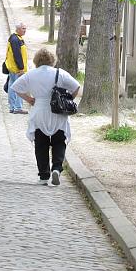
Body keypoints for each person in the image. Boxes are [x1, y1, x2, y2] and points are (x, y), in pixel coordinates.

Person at [12, 48, 80, 186]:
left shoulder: (31, 74)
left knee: (41, 143)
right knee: (59, 141)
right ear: (52, 60)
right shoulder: (60, 73)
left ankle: (44, 175)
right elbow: (76, 86)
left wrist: (29, 99)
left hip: (39, 110)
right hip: (57, 111)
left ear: (37, 60)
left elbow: (15, 87)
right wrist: (68, 99)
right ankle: (56, 168)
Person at [5, 22, 28, 114]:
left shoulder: (16, 38)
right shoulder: (15, 40)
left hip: (13, 68)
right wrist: (21, 68)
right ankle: (17, 107)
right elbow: (17, 55)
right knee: (19, 87)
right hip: (17, 69)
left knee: (12, 86)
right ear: (18, 29)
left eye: (25, 28)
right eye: (23, 28)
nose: (25, 30)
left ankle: (12, 107)